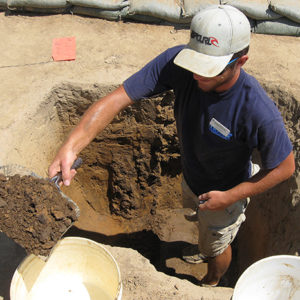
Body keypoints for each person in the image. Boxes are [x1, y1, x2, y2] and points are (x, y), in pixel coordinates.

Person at [49, 5, 295, 287]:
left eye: (209, 69)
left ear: (240, 61)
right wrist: (71, 146)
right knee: (199, 224)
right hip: (193, 177)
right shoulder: (180, 64)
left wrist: (231, 196)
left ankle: (212, 282)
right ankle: (203, 246)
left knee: (216, 246)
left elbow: (285, 167)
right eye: (196, 64)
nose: (197, 75)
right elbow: (118, 98)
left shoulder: (257, 110)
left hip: (226, 193)